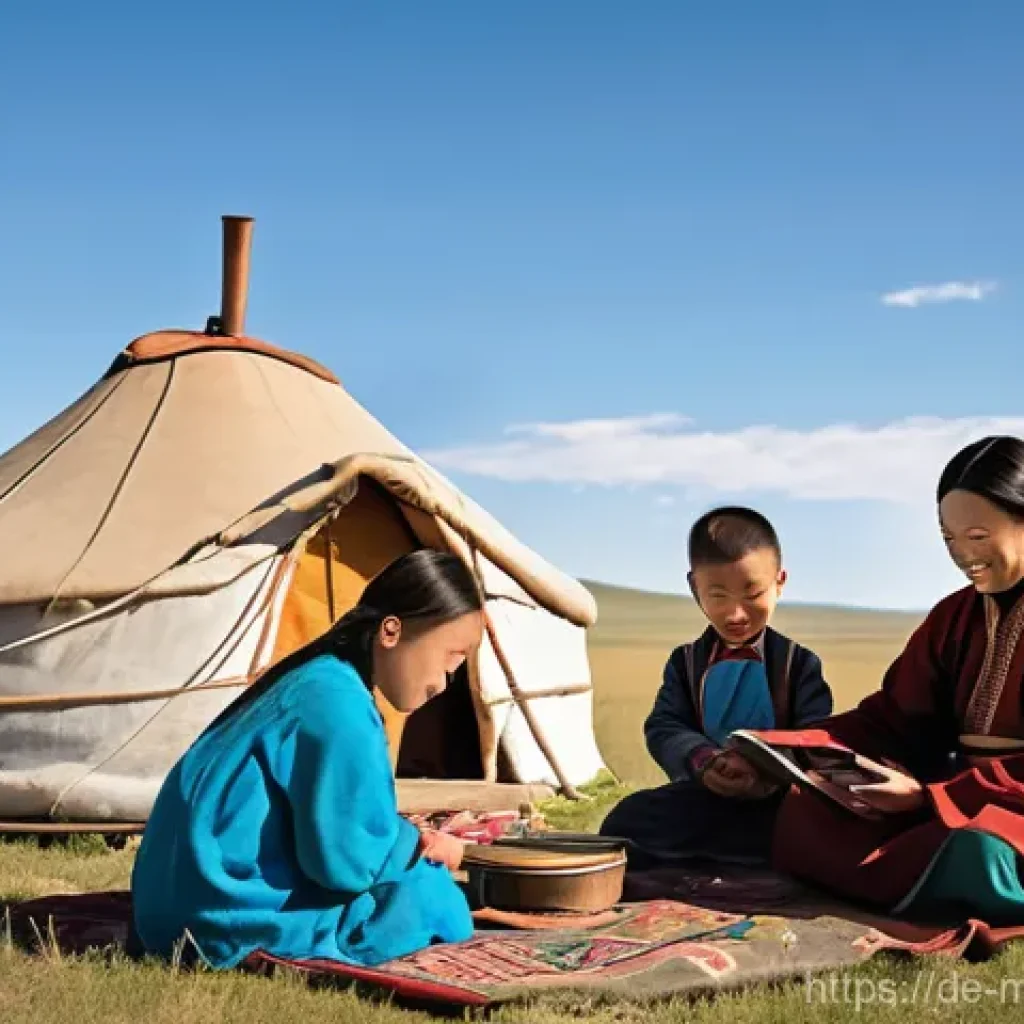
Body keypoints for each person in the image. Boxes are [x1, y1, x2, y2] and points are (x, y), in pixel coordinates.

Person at [131, 549, 483, 968]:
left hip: (164, 910)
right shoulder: (341, 705)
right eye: (452, 657)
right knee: (437, 899)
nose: (447, 682)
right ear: (391, 632)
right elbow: (346, 866)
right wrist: (420, 847)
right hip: (226, 920)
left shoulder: (313, 681)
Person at [772, 435, 1024, 924]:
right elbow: (895, 716)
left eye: (976, 536)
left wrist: (932, 798)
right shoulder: (954, 615)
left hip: (1002, 812)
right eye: (948, 540)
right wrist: (794, 748)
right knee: (807, 811)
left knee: (979, 852)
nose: (961, 555)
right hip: (957, 799)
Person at [600, 506, 833, 865]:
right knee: (628, 819)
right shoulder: (686, 663)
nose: (735, 614)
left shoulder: (798, 664)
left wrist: (762, 771)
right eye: (718, 595)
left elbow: (814, 738)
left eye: (752, 593)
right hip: (703, 795)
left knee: (819, 829)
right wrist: (707, 762)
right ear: (695, 588)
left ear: (780, 583)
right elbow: (665, 726)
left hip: (775, 804)